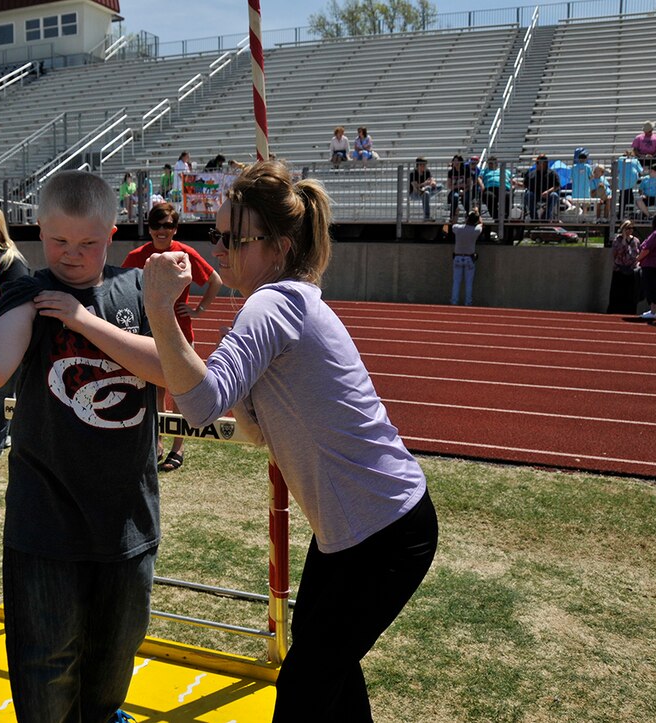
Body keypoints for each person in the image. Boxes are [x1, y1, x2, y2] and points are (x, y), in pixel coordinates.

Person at [141, 160, 437, 721]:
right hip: (356, 530)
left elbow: (199, 405)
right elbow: (194, 381)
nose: (220, 247)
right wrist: (87, 325)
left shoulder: (273, 304)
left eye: (233, 237)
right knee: (325, 663)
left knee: (304, 689)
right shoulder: (285, 300)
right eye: (217, 233)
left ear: (277, 247)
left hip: (384, 531)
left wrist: (158, 307)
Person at [0, 170, 164, 721]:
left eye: (88, 243)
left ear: (113, 234)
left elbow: (169, 367)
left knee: (114, 656)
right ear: (38, 234)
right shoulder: (28, 291)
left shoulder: (135, 287)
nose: (72, 256)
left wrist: (82, 319)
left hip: (128, 515)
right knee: (47, 668)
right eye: (58, 242)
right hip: (45, 519)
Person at [123, 202, 223, 472]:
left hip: (180, 335)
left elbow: (215, 280)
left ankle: (179, 448)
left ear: (175, 228)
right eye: (156, 225)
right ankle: (156, 443)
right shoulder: (137, 256)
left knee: (180, 395)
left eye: (167, 225)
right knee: (154, 393)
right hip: (149, 335)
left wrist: (198, 309)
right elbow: (120, 284)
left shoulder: (185, 253)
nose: (161, 231)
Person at [0, 204, 30, 464]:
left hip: (10, 337)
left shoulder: (11, 260)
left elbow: (19, 302)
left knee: (1, 392)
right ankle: (6, 435)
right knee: (1, 391)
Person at [446, 210, 482, 306]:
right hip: (469, 258)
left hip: (458, 257)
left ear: (467, 219)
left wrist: (456, 214)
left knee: (456, 282)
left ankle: (454, 302)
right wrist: (478, 212)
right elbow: (481, 224)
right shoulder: (476, 230)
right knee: (469, 283)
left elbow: (453, 223)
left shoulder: (459, 228)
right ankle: (468, 303)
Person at [607, 220, 640, 315]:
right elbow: (616, 253)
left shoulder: (636, 240)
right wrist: (624, 240)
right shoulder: (617, 240)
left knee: (630, 293)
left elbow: (636, 253)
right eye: (627, 228)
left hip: (631, 269)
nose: (630, 230)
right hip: (619, 269)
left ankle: (629, 311)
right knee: (617, 293)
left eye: (631, 228)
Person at [522, 154, 561, 220]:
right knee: (528, 195)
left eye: (537, 162)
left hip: (548, 195)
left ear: (544, 163)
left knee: (554, 195)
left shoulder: (552, 173)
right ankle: (534, 217)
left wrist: (548, 192)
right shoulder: (531, 173)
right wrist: (516, 183)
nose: (536, 164)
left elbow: (557, 185)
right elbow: (525, 185)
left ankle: (545, 217)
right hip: (535, 195)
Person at [480, 156, 512, 221]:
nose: (490, 165)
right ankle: (495, 216)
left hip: (504, 188)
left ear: (496, 163)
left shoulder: (505, 171)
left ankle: (505, 216)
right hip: (490, 188)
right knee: (489, 196)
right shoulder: (484, 171)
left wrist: (515, 184)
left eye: (492, 163)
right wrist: (482, 185)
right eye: (489, 163)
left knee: (507, 196)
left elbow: (512, 179)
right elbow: (479, 178)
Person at [615, 149, 643, 218]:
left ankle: (621, 214)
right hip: (631, 181)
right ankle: (628, 213)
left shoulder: (620, 160)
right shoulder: (635, 160)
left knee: (623, 197)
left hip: (623, 181)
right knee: (627, 195)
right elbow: (641, 171)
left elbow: (617, 170)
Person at [446, 154, 471, 220]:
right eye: (454, 161)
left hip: (465, 190)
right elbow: (449, 185)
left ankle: (468, 215)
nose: (456, 163)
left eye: (457, 161)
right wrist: (459, 186)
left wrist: (464, 190)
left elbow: (469, 183)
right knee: (455, 197)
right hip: (455, 190)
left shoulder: (466, 170)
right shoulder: (451, 172)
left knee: (466, 198)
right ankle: (452, 216)